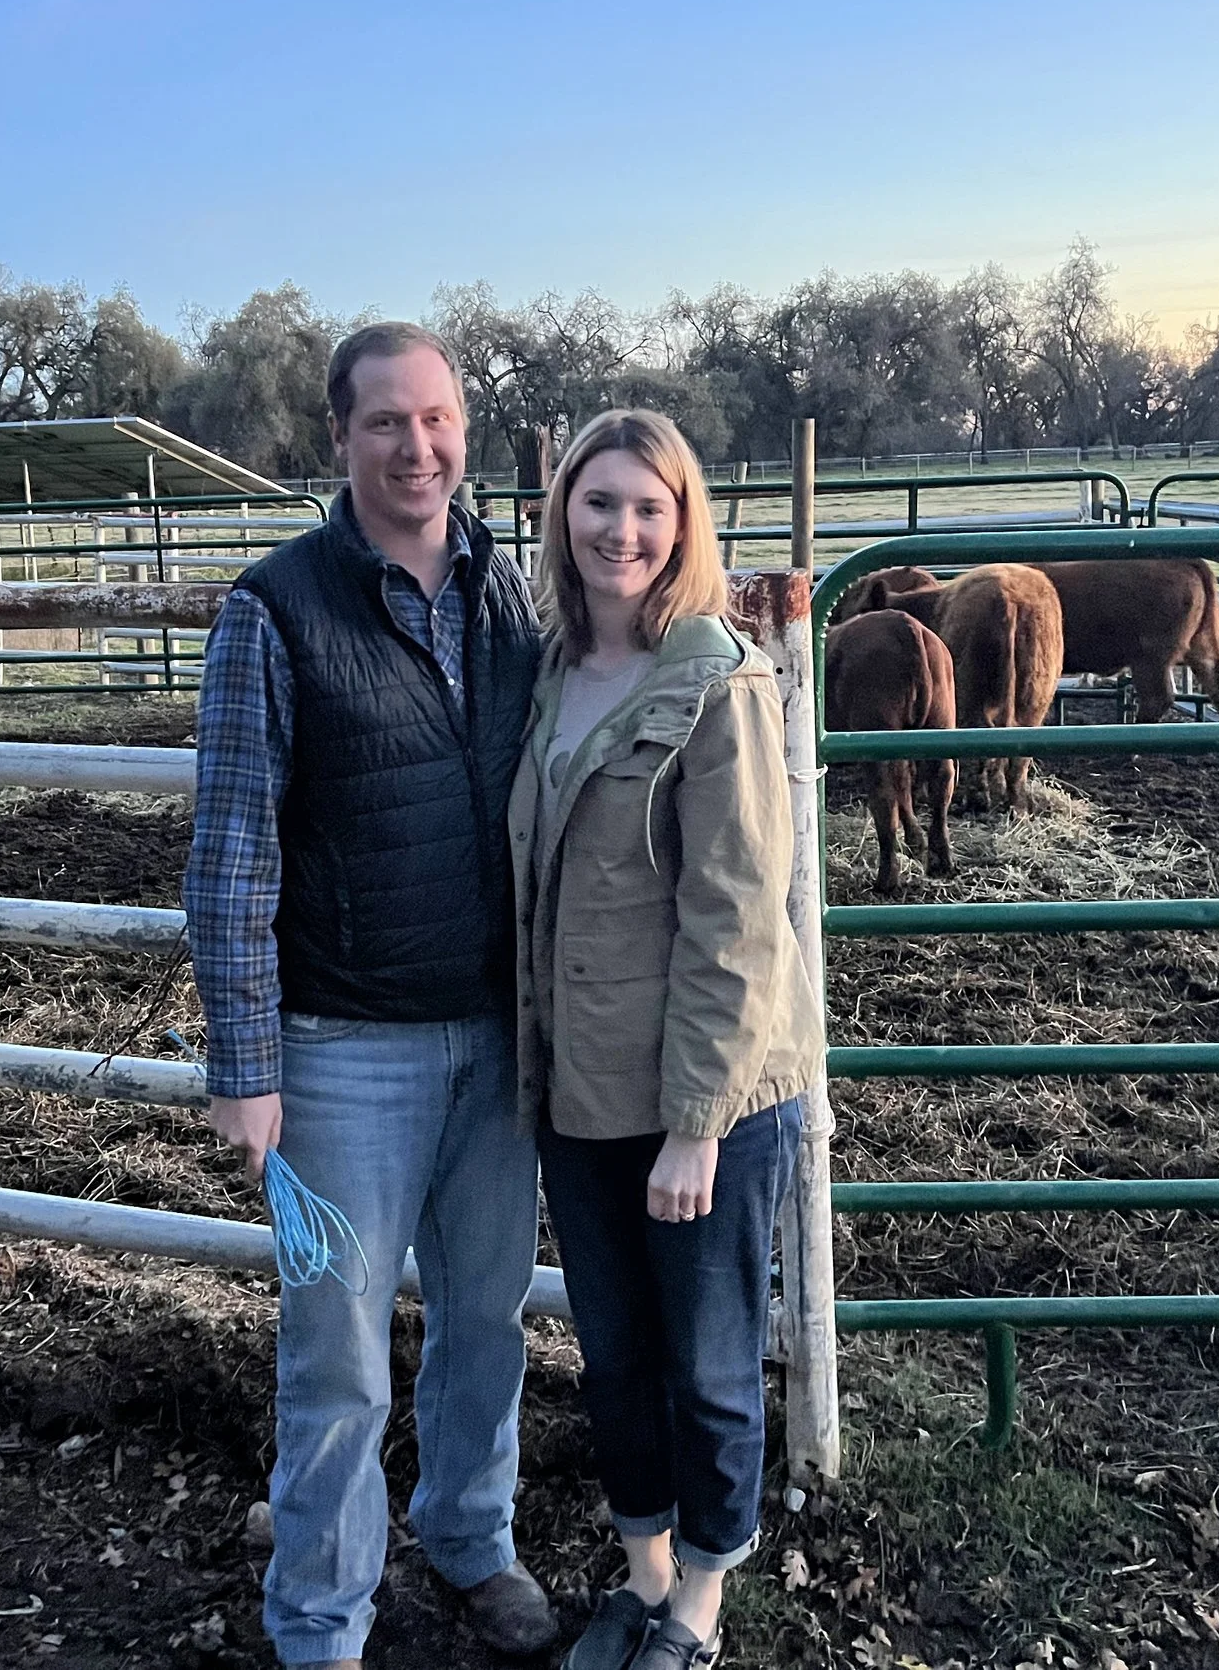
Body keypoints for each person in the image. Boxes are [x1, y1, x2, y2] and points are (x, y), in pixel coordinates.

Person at [184, 322, 557, 1668]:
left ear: (467, 426)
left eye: (439, 417)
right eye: (387, 422)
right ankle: (322, 1615)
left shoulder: (510, 595)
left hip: (497, 1033)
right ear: (337, 437)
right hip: (343, 1049)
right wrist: (247, 1058)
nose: (420, 446)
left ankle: (470, 1532)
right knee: (336, 1344)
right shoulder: (274, 607)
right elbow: (232, 844)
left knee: (484, 1310)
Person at [509, 409, 823, 1670]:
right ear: (562, 515)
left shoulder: (719, 677)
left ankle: (699, 1597)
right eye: (599, 504)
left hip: (710, 1100)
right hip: (580, 1085)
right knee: (616, 1353)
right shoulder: (551, 672)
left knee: (705, 1364)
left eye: (650, 507)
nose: (621, 530)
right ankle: (641, 1572)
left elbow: (739, 917)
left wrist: (697, 1123)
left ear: (684, 522)